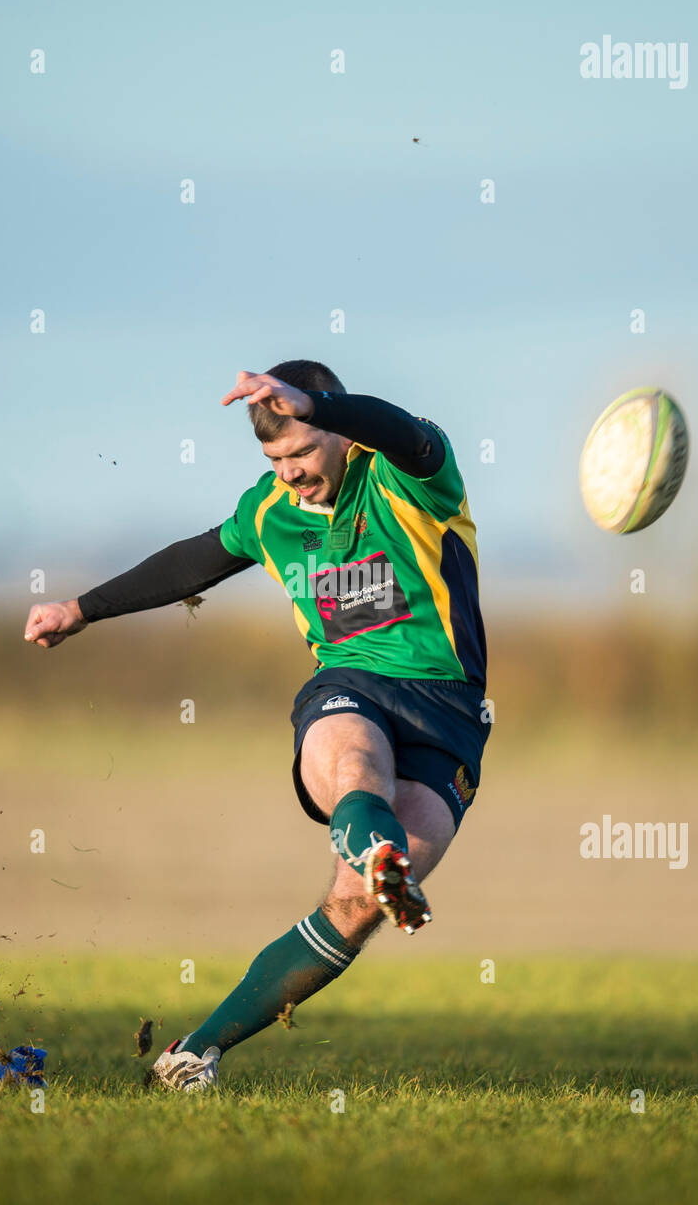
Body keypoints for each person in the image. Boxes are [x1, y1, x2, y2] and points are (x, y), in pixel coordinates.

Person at [24, 361, 491, 1093]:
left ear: (337, 433)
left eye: (303, 451)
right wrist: (80, 609)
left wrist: (321, 402)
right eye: (275, 459)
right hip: (348, 686)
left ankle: (193, 1048)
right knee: (355, 768)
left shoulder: (409, 477)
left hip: (449, 713)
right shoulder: (270, 511)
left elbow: (400, 430)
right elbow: (192, 563)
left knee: (354, 907)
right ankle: (376, 849)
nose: (292, 472)